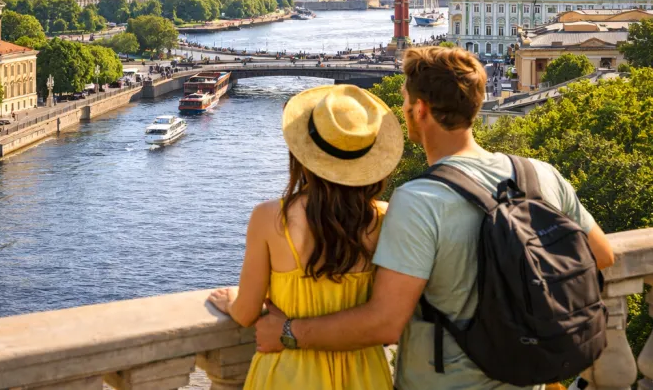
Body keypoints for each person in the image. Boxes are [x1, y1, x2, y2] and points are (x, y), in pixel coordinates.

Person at [254, 46, 615, 390]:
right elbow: (601, 255)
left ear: (421, 109)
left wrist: (287, 331)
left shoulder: (419, 200)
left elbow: (384, 324)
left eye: (405, 101)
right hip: (529, 376)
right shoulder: (539, 174)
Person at [208, 83, 404, 390]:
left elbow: (246, 313)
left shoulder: (269, 218)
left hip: (286, 373)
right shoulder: (387, 218)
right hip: (364, 374)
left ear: (301, 155)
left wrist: (230, 301)